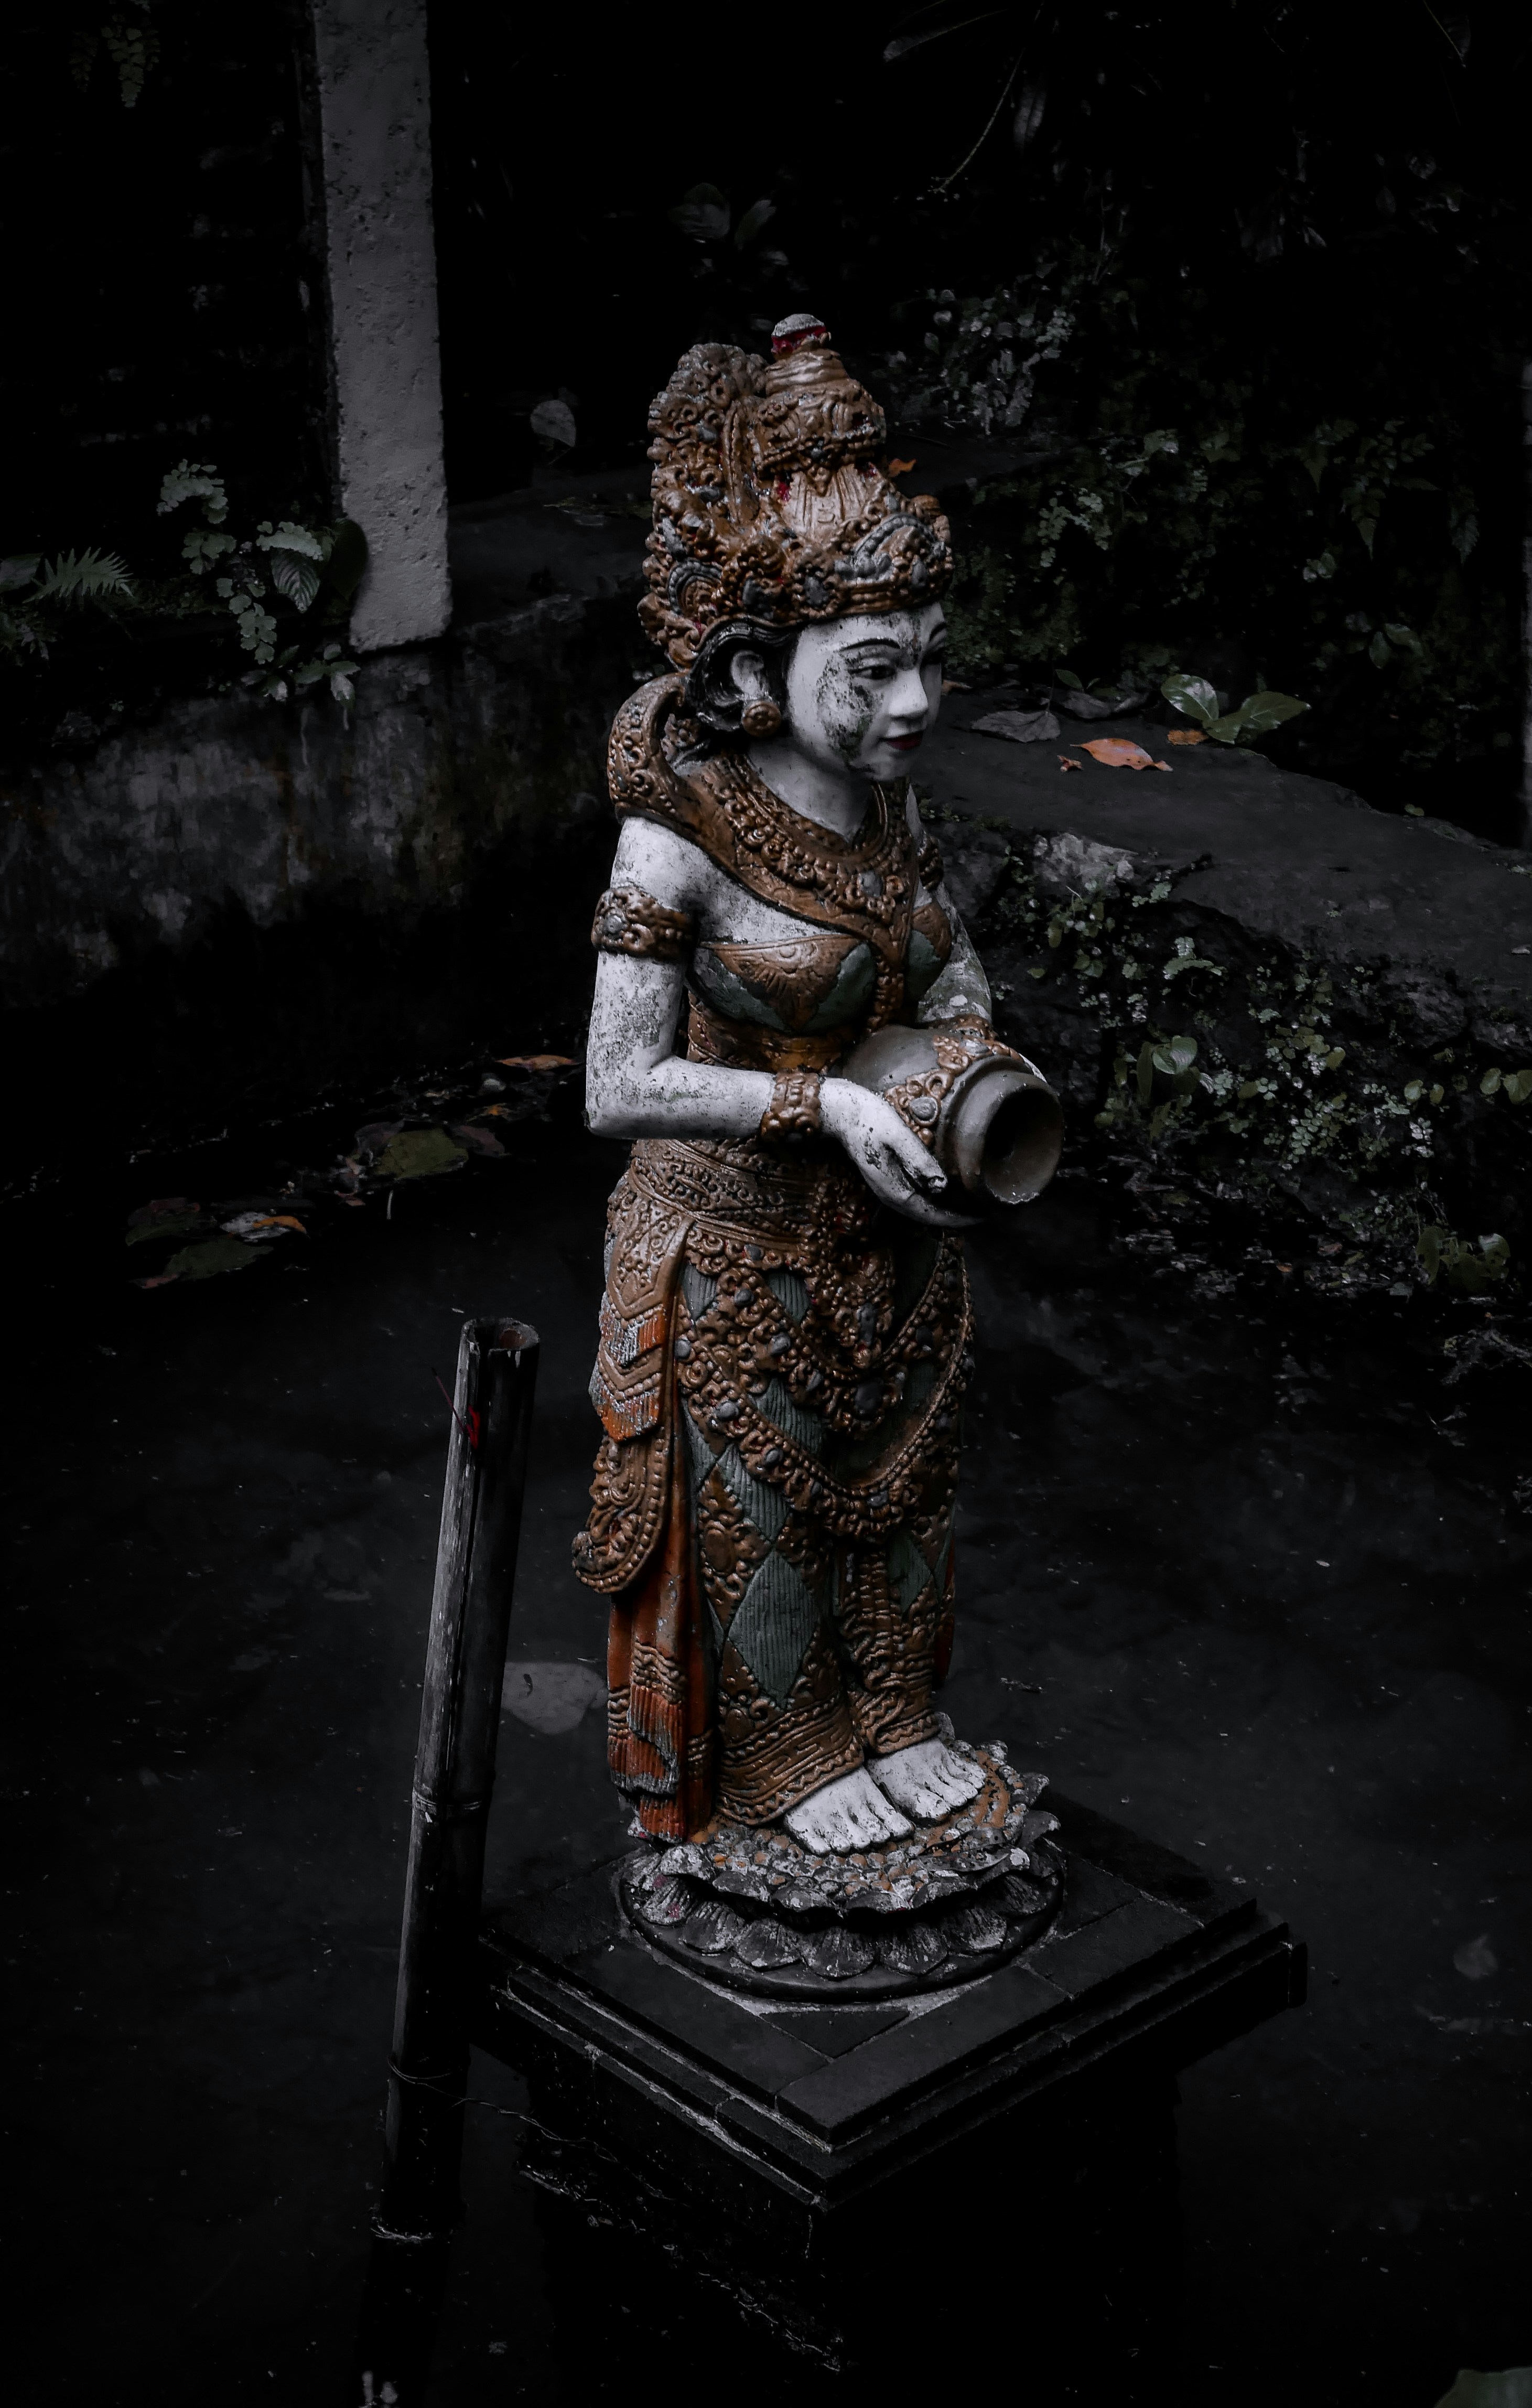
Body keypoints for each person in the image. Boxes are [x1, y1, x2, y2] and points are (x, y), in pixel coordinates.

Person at [575, 315, 1016, 1857]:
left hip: (886, 1241)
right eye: (878, 672)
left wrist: (971, 1040)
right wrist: (819, 1105)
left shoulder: (888, 821)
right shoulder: (677, 833)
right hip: (732, 1241)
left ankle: (893, 1719)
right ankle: (788, 1759)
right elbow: (613, 1085)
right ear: (763, 665)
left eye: (933, 667)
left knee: (895, 1508)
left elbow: (940, 963)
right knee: (759, 1519)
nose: (916, 708)